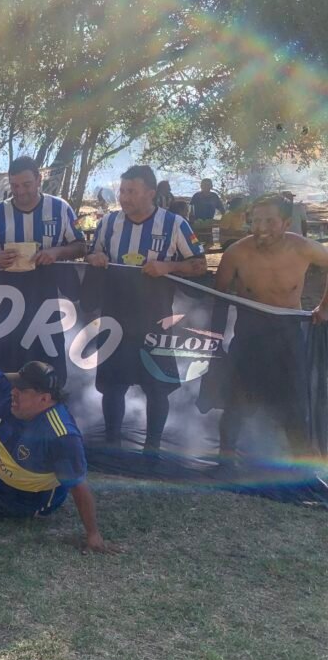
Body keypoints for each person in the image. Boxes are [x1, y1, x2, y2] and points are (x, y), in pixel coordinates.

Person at [0, 356, 118, 554]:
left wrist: (93, 534)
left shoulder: (61, 435)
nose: (14, 392)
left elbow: (78, 486)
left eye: (23, 390)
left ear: (44, 399)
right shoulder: (11, 393)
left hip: (20, 496)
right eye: (16, 386)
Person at [85, 165, 206, 456]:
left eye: (132, 192)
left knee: (157, 386)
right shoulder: (109, 223)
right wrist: (95, 257)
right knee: (113, 384)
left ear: (151, 193)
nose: (124, 198)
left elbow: (200, 265)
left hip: (155, 319)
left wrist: (168, 266)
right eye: (122, 191)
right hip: (115, 316)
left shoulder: (174, 224)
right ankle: (113, 445)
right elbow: (91, 253)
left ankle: (152, 449)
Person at [214, 194, 328, 460]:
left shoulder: (303, 248)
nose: (261, 228)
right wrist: (215, 340)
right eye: (256, 221)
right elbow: (218, 297)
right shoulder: (236, 253)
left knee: (294, 403)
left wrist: (324, 307)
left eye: (270, 221)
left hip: (288, 334)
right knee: (236, 402)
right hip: (248, 336)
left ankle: (302, 464)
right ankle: (225, 458)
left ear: (286, 223)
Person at [0, 156, 86, 269]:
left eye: (26, 185)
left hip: (55, 280)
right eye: (14, 186)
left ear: (39, 180)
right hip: (9, 280)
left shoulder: (62, 208)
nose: (20, 191)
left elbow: (82, 247)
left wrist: (57, 252)